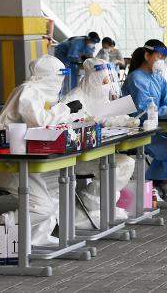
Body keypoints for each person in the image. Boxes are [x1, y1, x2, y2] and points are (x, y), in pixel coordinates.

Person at [0, 55, 83, 246]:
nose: (60, 82)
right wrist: (65, 109)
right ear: (49, 76)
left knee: (57, 187)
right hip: (6, 161)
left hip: (23, 158)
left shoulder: (37, 93)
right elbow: (40, 121)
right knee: (41, 208)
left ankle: (37, 237)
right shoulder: (28, 91)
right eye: (58, 77)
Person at [62, 58, 134, 228]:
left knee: (126, 163)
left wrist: (127, 120)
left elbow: (108, 116)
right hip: (76, 158)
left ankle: (101, 206)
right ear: (93, 78)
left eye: (109, 80)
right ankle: (84, 211)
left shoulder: (99, 96)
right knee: (115, 167)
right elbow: (66, 128)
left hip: (98, 153)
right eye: (104, 80)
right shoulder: (73, 99)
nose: (107, 85)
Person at [121, 39, 167, 198]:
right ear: (147, 55)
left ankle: (156, 183)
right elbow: (145, 109)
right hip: (139, 132)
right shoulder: (136, 78)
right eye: (159, 57)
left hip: (159, 129)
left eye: (163, 58)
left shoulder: (158, 78)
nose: (162, 61)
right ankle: (165, 183)